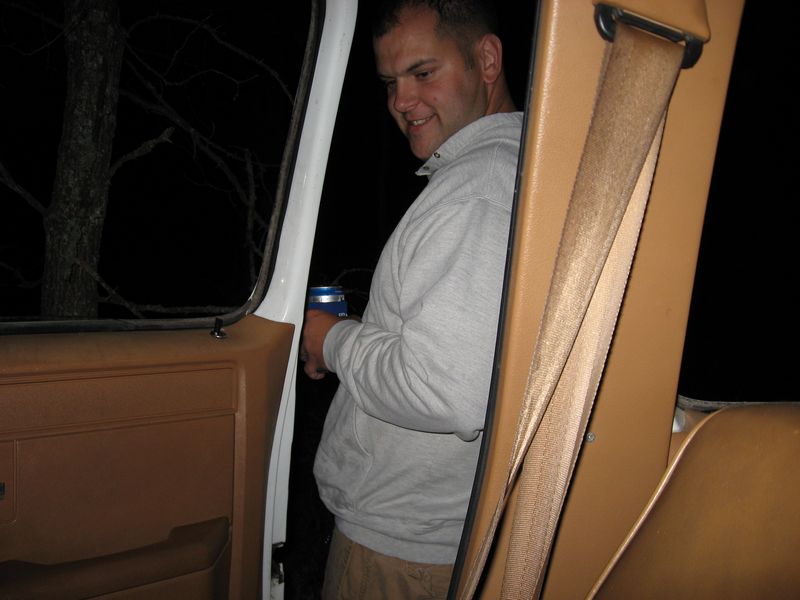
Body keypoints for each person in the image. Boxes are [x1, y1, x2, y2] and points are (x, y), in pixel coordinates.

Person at [301, 1, 521, 597]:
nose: (401, 100)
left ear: (487, 60)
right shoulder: (509, 171)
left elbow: (445, 392)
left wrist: (331, 339)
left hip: (405, 548)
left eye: (423, 73)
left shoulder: (477, 192)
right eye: (390, 82)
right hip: (444, 528)